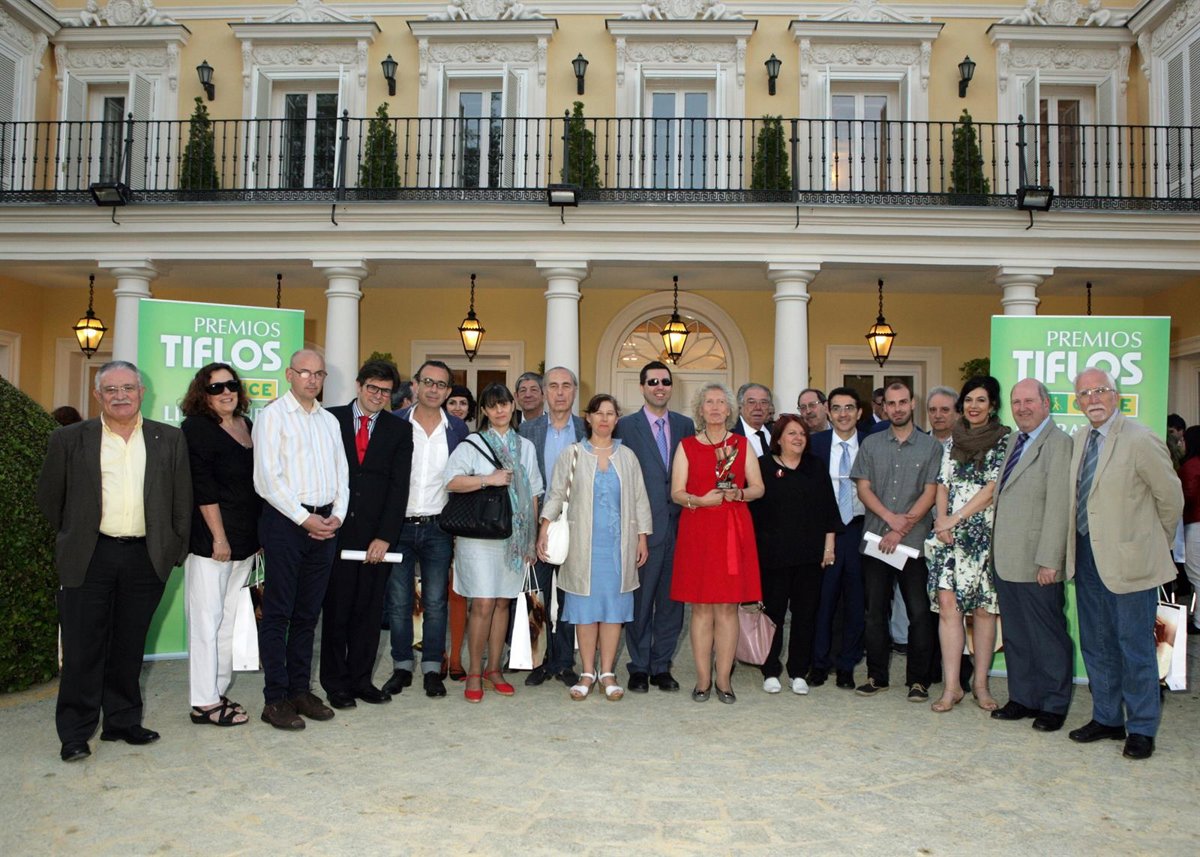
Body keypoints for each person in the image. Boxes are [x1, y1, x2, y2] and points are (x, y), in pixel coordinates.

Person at [36, 360, 191, 762]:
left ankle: (122, 721)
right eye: (111, 390)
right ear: (97, 395)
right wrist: (75, 535)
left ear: (142, 392)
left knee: (128, 644)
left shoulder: (168, 438)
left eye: (128, 388)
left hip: (145, 557)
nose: (120, 396)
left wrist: (172, 550)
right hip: (90, 555)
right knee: (82, 648)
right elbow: (50, 498)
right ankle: (75, 733)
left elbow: (182, 500)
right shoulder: (69, 439)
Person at [1066, 369, 1183, 760]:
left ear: (1115, 395)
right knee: (1097, 643)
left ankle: (1142, 728)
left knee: (1135, 646)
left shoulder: (1140, 438)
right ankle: (1107, 718)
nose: (1093, 398)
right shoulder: (1080, 439)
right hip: (1087, 556)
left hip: (1132, 562)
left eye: (1100, 390)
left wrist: (1152, 544)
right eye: (1085, 393)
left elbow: (1171, 499)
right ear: (1077, 402)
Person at [253, 349, 349, 730]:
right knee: (278, 613)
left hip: (324, 524)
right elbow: (267, 479)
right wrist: (304, 518)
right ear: (289, 374)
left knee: (308, 614)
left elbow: (342, 475)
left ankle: (299, 690)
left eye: (319, 374)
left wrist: (336, 515)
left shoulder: (329, 421)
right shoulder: (272, 416)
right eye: (305, 372)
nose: (312, 379)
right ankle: (275, 698)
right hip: (286, 523)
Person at [538, 394, 652, 701]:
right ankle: (587, 672)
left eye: (610, 413)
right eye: (598, 413)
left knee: (613, 611)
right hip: (582, 547)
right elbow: (556, 494)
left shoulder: (627, 456)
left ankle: (608, 672)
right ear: (588, 417)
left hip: (618, 548)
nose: (604, 418)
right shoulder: (572, 453)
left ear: (617, 419)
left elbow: (640, 499)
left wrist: (642, 536)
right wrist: (544, 528)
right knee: (585, 612)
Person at [320, 360, 412, 710]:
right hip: (335, 530)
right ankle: (335, 683)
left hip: (376, 537)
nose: (378, 395)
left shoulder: (399, 430)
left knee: (369, 612)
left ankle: (361, 680)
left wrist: (386, 536)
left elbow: (398, 487)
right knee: (337, 610)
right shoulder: (330, 420)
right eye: (373, 387)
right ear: (359, 385)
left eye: (386, 391)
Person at [445, 383, 542, 702]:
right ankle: (474, 671)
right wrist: (489, 479)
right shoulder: (472, 444)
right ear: (484, 411)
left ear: (513, 406)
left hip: (514, 538)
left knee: (503, 603)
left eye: (504, 404)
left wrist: (531, 539)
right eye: (492, 405)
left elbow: (534, 493)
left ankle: (494, 669)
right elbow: (451, 482)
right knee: (483, 603)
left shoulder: (525, 446)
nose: (500, 410)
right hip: (479, 538)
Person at [670, 383, 764, 703]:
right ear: (700, 409)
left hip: (732, 530)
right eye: (708, 402)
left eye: (720, 402)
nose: (714, 407)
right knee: (700, 608)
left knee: (727, 607)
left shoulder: (741, 444)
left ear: (729, 410)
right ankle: (702, 680)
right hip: (698, 529)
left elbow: (759, 488)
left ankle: (724, 680)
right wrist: (699, 500)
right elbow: (676, 492)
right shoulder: (686, 446)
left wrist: (739, 493)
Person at [850, 380, 943, 701]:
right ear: (884, 407)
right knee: (875, 612)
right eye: (891, 403)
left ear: (912, 403)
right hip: (877, 540)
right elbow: (863, 488)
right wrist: (890, 520)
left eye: (903, 402)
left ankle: (918, 681)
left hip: (914, 543)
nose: (897, 408)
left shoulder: (931, 447)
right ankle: (877, 677)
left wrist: (901, 528)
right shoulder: (871, 444)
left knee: (919, 612)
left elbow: (930, 492)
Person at [990, 378, 1074, 732]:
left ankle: (1054, 704)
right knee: (1017, 635)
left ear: (1046, 404)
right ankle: (1023, 698)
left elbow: (1059, 505)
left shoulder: (1059, 443)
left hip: (1037, 560)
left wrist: (1050, 559)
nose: (1022, 408)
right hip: (1007, 558)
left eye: (1029, 401)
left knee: (1047, 636)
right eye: (1016, 402)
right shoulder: (1015, 439)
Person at [180, 363, 261, 727]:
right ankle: (203, 701)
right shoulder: (196, 428)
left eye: (231, 385)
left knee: (228, 620)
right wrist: (219, 537)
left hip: (244, 541)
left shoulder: (247, 425)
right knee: (206, 621)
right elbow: (203, 487)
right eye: (216, 388)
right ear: (203, 394)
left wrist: (256, 538)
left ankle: (217, 690)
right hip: (212, 543)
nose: (226, 392)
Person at [384, 360, 469, 698]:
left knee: (435, 602)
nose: (434, 389)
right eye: (428, 382)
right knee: (398, 602)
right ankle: (402, 666)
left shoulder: (458, 430)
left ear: (448, 392)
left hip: (438, 528)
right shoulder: (394, 423)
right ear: (415, 385)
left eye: (441, 384)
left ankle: (432, 667)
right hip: (398, 526)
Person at [925, 376, 1009, 712]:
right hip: (948, 537)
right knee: (949, 609)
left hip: (983, 535)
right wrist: (942, 521)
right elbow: (942, 483)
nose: (974, 406)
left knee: (983, 611)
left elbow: (991, 489)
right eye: (969, 400)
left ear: (992, 406)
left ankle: (980, 685)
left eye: (981, 400)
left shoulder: (1004, 441)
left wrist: (955, 518)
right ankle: (952, 688)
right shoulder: (953, 440)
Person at [614, 361, 696, 692]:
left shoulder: (685, 425)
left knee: (672, 603)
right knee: (641, 601)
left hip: (680, 527)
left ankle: (661, 666)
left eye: (665, 381)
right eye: (653, 382)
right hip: (643, 530)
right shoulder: (625, 426)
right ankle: (638, 666)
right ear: (642, 387)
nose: (659, 387)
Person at [749, 414, 842, 695]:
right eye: (791, 433)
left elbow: (828, 508)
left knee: (805, 614)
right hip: (773, 556)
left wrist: (829, 546)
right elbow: (752, 513)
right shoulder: (762, 466)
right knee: (772, 615)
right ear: (778, 439)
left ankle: (798, 671)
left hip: (809, 555)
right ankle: (770, 670)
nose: (798, 438)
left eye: (802, 433)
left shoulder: (815, 466)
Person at [519, 367, 586, 688]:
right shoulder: (526, 430)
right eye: (554, 386)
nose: (560, 392)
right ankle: (540, 660)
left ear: (575, 391)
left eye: (566, 386)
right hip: (537, 524)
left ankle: (564, 662)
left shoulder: (587, 429)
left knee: (570, 596)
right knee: (538, 594)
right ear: (545, 392)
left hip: (577, 525)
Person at [808, 387, 869, 689]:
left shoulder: (871, 444)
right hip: (824, 532)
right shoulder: (814, 444)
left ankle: (847, 665)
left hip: (860, 529)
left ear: (859, 412)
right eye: (836, 408)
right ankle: (819, 663)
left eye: (849, 408)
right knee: (823, 600)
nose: (843, 414)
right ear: (828, 413)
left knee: (856, 602)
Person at [1181, 426, 1200, 632]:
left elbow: (1187, 496)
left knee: (1196, 574)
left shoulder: (1191, 466)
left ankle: (1199, 622)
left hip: (1195, 524)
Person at [732, 382, 773, 457]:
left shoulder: (777, 432)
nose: (758, 407)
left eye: (763, 402)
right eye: (751, 402)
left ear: (769, 407)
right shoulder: (729, 435)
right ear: (740, 406)